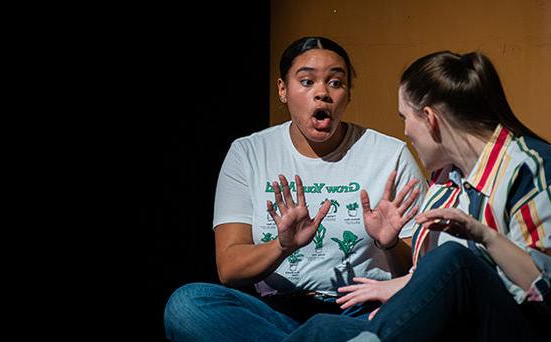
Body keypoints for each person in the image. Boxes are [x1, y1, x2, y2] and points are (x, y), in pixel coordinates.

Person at [284, 51, 551, 341]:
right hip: (459, 328)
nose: (406, 133)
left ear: (430, 119)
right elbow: (435, 284)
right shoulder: (445, 180)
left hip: (540, 332)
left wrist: (484, 237)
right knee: (298, 324)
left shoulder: (537, 169)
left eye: (405, 118)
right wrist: (395, 265)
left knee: (454, 260)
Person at [163, 36, 427, 341]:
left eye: (336, 82)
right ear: (282, 90)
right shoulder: (249, 153)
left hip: (359, 312)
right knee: (187, 305)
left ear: (348, 94)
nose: (322, 93)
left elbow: (421, 275)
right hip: (275, 313)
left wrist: (389, 244)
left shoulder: (389, 155)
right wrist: (283, 246)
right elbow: (230, 268)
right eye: (306, 81)